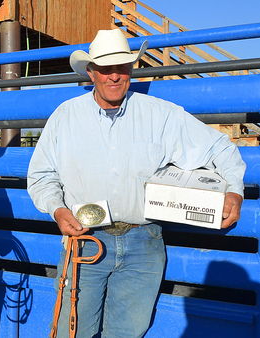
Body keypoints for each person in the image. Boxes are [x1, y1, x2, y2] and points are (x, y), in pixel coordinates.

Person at [27, 29, 245, 337]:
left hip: (143, 243)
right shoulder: (66, 117)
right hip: (87, 240)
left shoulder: (161, 115)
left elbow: (220, 148)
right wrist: (58, 210)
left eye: (122, 67)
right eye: (105, 69)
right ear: (91, 73)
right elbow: (42, 176)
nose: (114, 76)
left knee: (127, 333)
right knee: (71, 332)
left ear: (131, 70)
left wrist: (234, 190)